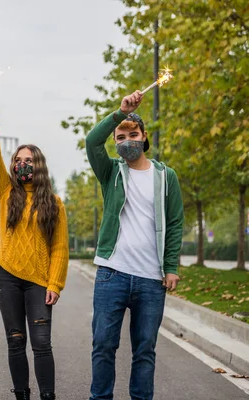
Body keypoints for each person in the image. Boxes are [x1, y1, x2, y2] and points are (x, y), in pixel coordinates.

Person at [85, 90, 184, 400]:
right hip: (111, 274)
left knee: (145, 350)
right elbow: (91, 141)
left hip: (151, 279)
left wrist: (170, 267)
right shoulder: (110, 172)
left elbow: (175, 223)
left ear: (144, 137)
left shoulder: (166, 176)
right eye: (120, 135)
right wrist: (119, 112)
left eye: (132, 133)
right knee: (103, 345)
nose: (126, 139)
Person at [0, 101, 69, 400]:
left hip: (39, 281)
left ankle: (47, 396)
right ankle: (21, 394)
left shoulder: (54, 203)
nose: (22, 164)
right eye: (18, 159)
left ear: (39, 165)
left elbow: (59, 247)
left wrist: (55, 283)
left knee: (41, 343)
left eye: (29, 160)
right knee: (15, 341)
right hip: (6, 276)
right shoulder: (7, 192)